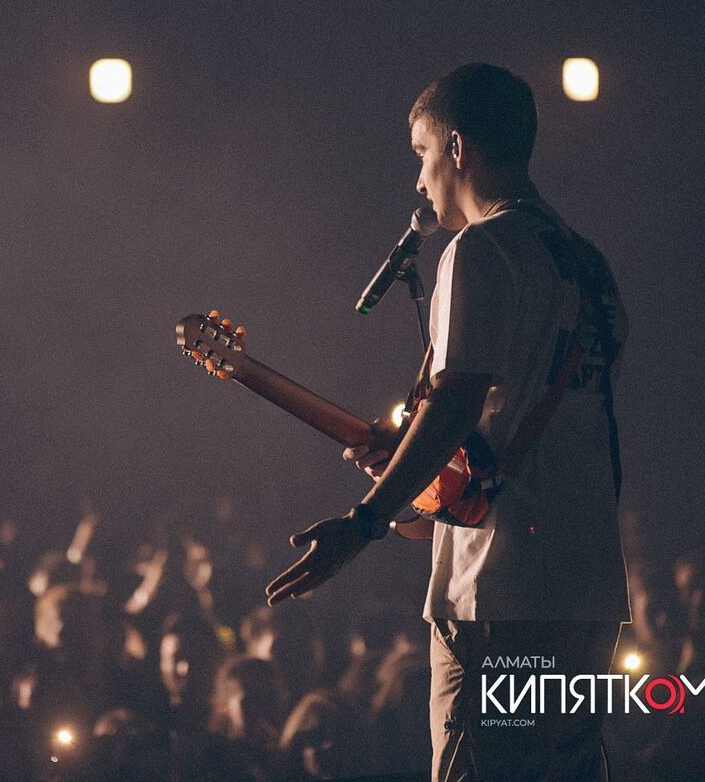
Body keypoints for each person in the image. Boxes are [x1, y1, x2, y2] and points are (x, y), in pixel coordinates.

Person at [266, 63, 630, 781]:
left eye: (422, 152)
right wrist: (418, 461)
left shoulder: (481, 249)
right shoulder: (588, 264)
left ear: (457, 147)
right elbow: (526, 419)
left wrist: (366, 522)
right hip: (585, 589)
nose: (419, 179)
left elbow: (458, 402)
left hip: (498, 588)